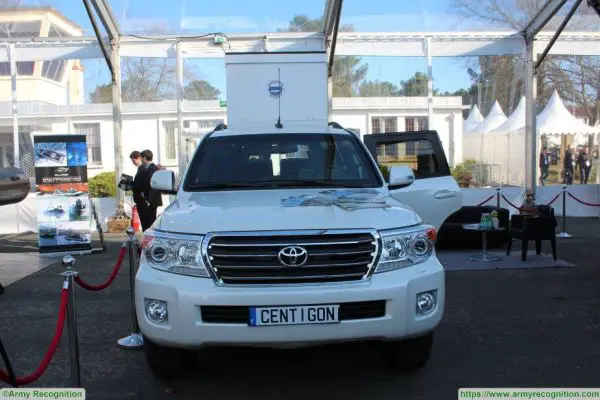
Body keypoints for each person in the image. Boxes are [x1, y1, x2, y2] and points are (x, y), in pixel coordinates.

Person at [132, 149, 163, 231]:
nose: (141, 160)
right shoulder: (150, 168)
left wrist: (143, 194)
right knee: (147, 223)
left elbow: (150, 185)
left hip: (149, 201)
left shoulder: (151, 169)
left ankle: (148, 238)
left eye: (141, 158)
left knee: (148, 223)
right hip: (149, 200)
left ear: (144, 158)